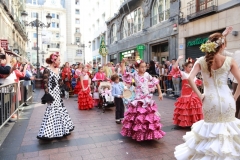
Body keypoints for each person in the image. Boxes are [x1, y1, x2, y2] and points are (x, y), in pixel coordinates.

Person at [174, 33, 240, 159]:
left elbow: (190, 79)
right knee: (229, 132)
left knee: (211, 132)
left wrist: (199, 95)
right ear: (223, 45)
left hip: (209, 100)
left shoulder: (201, 61)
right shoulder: (229, 61)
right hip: (228, 100)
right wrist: (235, 97)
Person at [120, 58, 165, 141]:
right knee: (138, 118)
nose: (144, 69)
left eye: (145, 67)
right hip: (138, 99)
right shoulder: (135, 74)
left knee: (148, 117)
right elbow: (124, 74)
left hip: (147, 98)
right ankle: (138, 134)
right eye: (142, 67)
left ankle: (149, 134)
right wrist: (123, 63)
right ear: (137, 67)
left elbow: (156, 82)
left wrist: (160, 93)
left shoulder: (147, 74)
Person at [37, 53, 74, 140]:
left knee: (59, 110)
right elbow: (45, 83)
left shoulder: (58, 70)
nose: (60, 62)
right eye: (59, 60)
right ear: (54, 61)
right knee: (51, 110)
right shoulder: (47, 70)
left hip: (57, 93)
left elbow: (60, 81)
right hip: (51, 93)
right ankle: (48, 132)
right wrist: (47, 94)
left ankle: (59, 131)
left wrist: (64, 88)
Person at [171, 56, 203, 127]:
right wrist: (178, 59)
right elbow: (175, 68)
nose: (191, 68)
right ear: (185, 67)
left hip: (194, 94)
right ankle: (186, 122)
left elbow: (198, 84)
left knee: (194, 107)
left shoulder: (193, 75)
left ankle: (194, 122)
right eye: (189, 67)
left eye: (192, 67)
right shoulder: (183, 74)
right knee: (186, 108)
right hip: (186, 94)